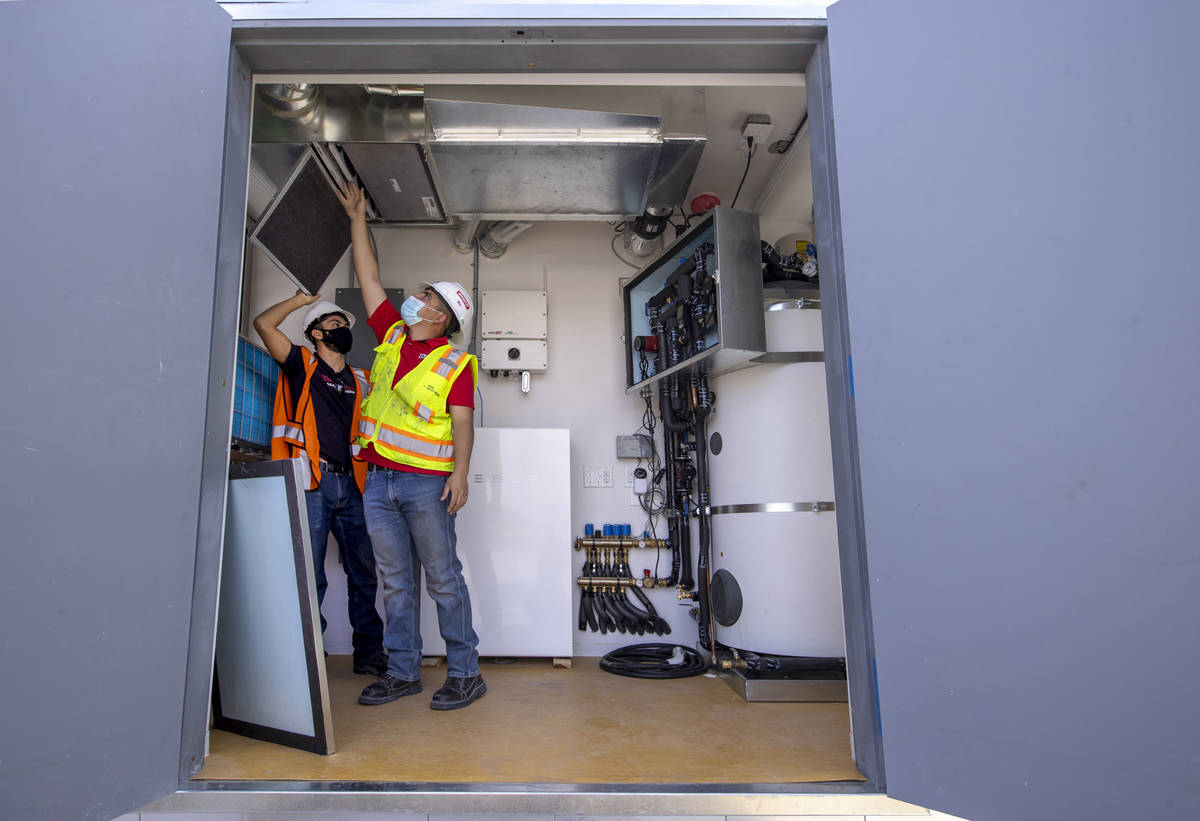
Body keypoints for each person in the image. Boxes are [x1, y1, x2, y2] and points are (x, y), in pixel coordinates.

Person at [337, 182, 486, 711]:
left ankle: (466, 673)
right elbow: (368, 275)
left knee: (444, 579)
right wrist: (358, 217)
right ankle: (402, 671)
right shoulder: (392, 336)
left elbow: (463, 424)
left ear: (441, 317)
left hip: (426, 483)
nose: (414, 300)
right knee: (396, 584)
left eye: (425, 298)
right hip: (379, 481)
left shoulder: (456, 364)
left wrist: (460, 476)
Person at [253, 291, 388, 677]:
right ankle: (310, 658)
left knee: (364, 572)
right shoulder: (301, 363)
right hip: (313, 482)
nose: (342, 329)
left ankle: (368, 653)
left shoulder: (361, 379)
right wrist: (297, 300)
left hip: (356, 487)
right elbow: (263, 324)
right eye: (333, 324)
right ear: (315, 333)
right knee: (310, 574)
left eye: (344, 324)